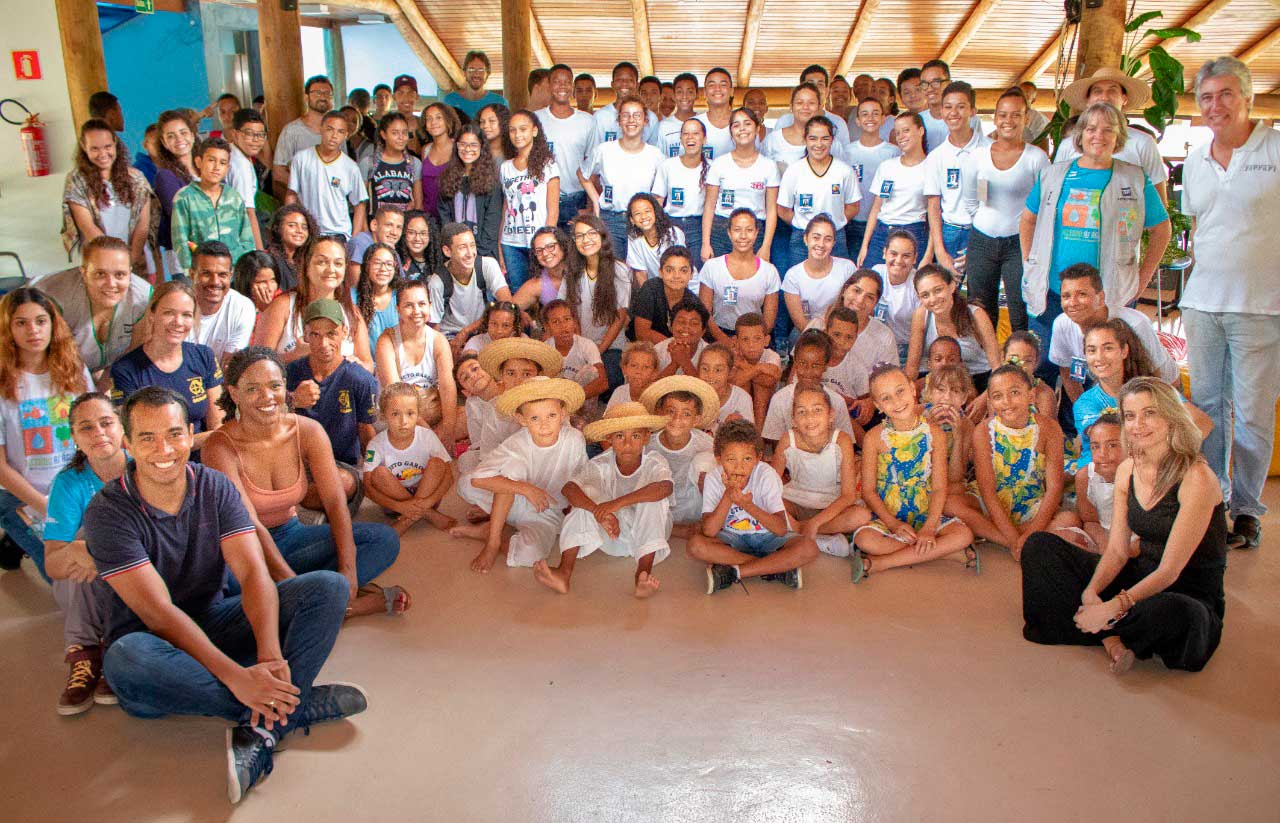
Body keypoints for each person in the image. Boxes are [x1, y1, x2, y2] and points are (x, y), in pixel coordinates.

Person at [83, 386, 365, 803]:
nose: (165, 449)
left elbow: (253, 573)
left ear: (190, 433)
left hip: (214, 621)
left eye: (175, 434)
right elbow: (159, 613)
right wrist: (237, 678)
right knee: (125, 659)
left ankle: (267, 718)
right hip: (154, 650)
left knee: (329, 587)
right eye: (147, 438)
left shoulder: (214, 487)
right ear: (127, 443)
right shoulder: (108, 512)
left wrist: (269, 654)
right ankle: (292, 706)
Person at [1021, 378, 1228, 674]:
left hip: (1185, 593)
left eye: (1150, 413)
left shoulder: (1197, 477)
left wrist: (1114, 606)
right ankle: (1113, 634)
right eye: (1130, 416)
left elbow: (1170, 571)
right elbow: (1117, 551)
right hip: (1140, 576)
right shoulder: (1128, 469)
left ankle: (1103, 626)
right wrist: (1091, 592)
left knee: (1168, 612)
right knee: (1039, 547)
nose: (1138, 424)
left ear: (1171, 415)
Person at [1180, 56, 1280, 551]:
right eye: (1206, 98)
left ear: (1248, 98)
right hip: (1201, 303)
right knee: (1208, 407)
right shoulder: (1196, 159)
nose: (1215, 106)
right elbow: (1201, 228)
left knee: (1255, 412)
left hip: (1262, 306)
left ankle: (1246, 510)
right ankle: (1214, 501)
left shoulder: (1276, 147)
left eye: (1224, 95)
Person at [1020, 102, 1171, 384]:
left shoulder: (1135, 178)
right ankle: (1052, 425)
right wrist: (1030, 263)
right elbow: (1027, 219)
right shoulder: (1054, 174)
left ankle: (1095, 423)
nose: (1098, 135)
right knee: (1046, 366)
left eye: (1107, 130)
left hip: (1108, 293)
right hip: (1053, 290)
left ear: (1119, 136)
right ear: (1080, 134)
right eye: (1091, 128)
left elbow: (1162, 230)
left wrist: (1142, 280)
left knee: (1102, 366)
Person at [530, 401, 671, 597]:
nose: (628, 444)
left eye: (636, 436)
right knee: (584, 493)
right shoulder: (601, 463)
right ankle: (564, 572)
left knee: (654, 498)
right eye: (620, 436)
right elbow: (569, 488)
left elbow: (665, 488)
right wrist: (598, 511)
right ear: (609, 438)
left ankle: (643, 574)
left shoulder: (654, 461)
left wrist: (613, 505)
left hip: (649, 540)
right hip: (613, 534)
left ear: (647, 437)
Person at [852, 365, 976, 580]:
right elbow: (869, 491)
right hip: (887, 515)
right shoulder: (874, 437)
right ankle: (944, 554)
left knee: (963, 534)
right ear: (878, 406)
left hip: (925, 512)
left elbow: (939, 487)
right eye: (886, 398)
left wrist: (929, 527)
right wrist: (892, 524)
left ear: (913, 389)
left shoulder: (934, 433)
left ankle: (882, 562)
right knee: (865, 540)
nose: (897, 402)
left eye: (900, 391)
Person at [39, 393, 122, 714]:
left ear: (122, 426)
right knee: (80, 540)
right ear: (73, 437)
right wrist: (82, 550)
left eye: (106, 423)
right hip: (88, 587)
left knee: (98, 538)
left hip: (135, 573)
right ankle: (85, 653)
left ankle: (115, 649)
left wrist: (100, 552)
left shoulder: (142, 468)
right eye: (86, 428)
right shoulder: (68, 482)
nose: (99, 433)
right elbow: (54, 566)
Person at [0, 289, 92, 575]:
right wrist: (49, 507)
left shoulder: (74, 370)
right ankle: (14, 533)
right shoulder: (4, 382)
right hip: (22, 495)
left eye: (41, 321)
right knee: (67, 575)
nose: (33, 330)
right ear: (7, 329)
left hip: (75, 488)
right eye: (21, 323)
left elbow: (92, 434)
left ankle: (13, 543)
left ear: (53, 324)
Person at [454, 376, 588, 573]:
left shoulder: (574, 439)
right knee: (470, 482)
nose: (544, 425)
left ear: (563, 413)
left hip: (546, 510)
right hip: (514, 499)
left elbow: (581, 478)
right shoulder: (517, 442)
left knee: (530, 556)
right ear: (522, 420)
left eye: (551, 415)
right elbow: (477, 479)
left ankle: (489, 530)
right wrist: (525, 489)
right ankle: (493, 541)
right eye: (535, 418)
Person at [690, 419, 818, 593]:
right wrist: (729, 494)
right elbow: (710, 531)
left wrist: (746, 504)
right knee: (696, 545)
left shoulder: (766, 475)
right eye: (730, 459)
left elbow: (780, 529)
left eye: (747, 459)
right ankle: (775, 567)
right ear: (719, 459)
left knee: (809, 548)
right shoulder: (714, 478)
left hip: (768, 538)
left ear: (758, 458)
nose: (739, 467)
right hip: (732, 538)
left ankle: (736, 571)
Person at [1073, 320, 1211, 472]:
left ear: (1124, 351)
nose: (1099, 357)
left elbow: (1203, 423)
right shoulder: (1085, 402)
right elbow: (1114, 444)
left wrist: (1171, 456)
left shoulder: (1154, 390)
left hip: (1153, 469)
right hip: (1101, 476)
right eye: (1091, 350)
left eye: (1108, 348)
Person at [967, 365, 1073, 559]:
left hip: (1030, 503)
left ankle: (1002, 534)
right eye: (998, 396)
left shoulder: (1050, 429)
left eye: (1015, 392)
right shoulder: (983, 431)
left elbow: (1054, 488)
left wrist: (1033, 530)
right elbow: (987, 491)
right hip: (991, 504)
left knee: (1070, 518)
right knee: (952, 503)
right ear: (990, 402)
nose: (1007, 402)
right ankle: (1013, 541)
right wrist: (1013, 538)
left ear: (1031, 395)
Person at [966, 88, 1048, 332]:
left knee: (1019, 306)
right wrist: (985, 222)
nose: (1008, 121)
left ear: (1027, 118)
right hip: (982, 240)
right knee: (979, 307)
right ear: (995, 118)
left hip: (1019, 243)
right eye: (1002, 115)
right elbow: (971, 200)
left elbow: (1045, 206)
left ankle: (1020, 364)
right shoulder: (978, 155)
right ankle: (984, 363)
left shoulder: (1037, 158)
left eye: (1015, 115)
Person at [1050, 263, 1179, 415]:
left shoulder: (1135, 324)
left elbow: (1159, 379)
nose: (1072, 302)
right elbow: (1068, 375)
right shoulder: (1061, 325)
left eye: (1082, 294)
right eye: (1066, 296)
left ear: (1101, 297)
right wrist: (1087, 415)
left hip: (1161, 392)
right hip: (1108, 393)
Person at [110, 281, 224, 449]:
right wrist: (193, 442)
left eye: (186, 315)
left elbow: (219, 428)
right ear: (151, 315)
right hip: (154, 461)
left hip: (204, 458)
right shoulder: (125, 369)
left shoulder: (203, 356)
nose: (178, 322)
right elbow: (130, 440)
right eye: (169, 313)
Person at [284, 299, 380, 489]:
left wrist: (372, 473)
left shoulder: (360, 379)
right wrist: (293, 400)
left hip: (340, 466)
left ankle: (304, 503)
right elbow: (266, 421)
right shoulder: (289, 373)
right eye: (315, 334)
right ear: (305, 336)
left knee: (342, 483)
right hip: (296, 464)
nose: (323, 343)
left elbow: (367, 434)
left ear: (344, 332)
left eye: (331, 334)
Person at [768, 380, 868, 557]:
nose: (810, 418)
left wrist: (815, 522)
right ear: (794, 420)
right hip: (796, 501)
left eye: (817, 410)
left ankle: (799, 532)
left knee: (861, 516)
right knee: (764, 503)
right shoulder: (787, 439)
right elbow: (771, 485)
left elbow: (848, 495)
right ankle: (820, 539)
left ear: (831, 416)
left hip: (831, 505)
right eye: (801, 412)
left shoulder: (841, 440)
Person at [35, 237, 150, 387]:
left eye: (120, 275)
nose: (111, 284)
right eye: (100, 274)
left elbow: (132, 354)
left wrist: (103, 387)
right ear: (83, 272)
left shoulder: (142, 298)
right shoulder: (52, 299)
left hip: (89, 370)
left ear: (130, 273)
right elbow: (44, 360)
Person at [257, 235, 374, 370]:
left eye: (338, 264)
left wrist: (356, 365)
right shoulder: (283, 306)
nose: (331, 270)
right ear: (306, 266)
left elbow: (368, 365)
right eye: (322, 262)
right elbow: (257, 363)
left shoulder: (351, 312)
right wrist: (293, 355)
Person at [61, 119, 156, 279]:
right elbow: (88, 227)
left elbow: (143, 225)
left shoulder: (136, 178)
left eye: (107, 147)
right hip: (101, 265)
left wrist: (130, 260)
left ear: (115, 144)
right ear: (84, 148)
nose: (103, 154)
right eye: (95, 148)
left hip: (138, 261)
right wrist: (116, 264)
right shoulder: (76, 181)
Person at [1058, 68, 1168, 200]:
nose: (1104, 97)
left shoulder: (1143, 142)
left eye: (1112, 90)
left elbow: (1159, 200)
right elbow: (1053, 193)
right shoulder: (1068, 144)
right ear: (1088, 100)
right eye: (1097, 91)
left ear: (1124, 99)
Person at [361, 382, 454, 537]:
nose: (403, 421)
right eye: (395, 414)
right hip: (393, 503)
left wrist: (429, 502)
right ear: (384, 416)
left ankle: (406, 521)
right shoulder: (375, 444)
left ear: (418, 414)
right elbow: (368, 488)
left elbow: (449, 477)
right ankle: (428, 514)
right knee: (379, 473)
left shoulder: (427, 436)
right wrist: (400, 506)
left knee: (438, 464)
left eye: (410, 413)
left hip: (428, 496)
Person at [374, 280, 459, 449]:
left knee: (465, 413)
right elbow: (395, 394)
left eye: (421, 304)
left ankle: (430, 446)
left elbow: (448, 388)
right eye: (409, 306)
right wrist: (430, 437)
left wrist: (448, 430)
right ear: (397, 309)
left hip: (431, 413)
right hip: (398, 416)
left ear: (430, 306)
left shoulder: (438, 340)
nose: (416, 311)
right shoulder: (386, 341)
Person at [636, 376, 718, 536]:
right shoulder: (647, 444)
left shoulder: (707, 444)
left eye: (686, 414)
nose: (677, 419)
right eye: (671, 411)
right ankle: (677, 530)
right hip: (659, 507)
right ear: (660, 413)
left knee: (705, 461)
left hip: (694, 507)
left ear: (697, 420)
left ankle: (707, 524)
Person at [922, 81, 989, 277]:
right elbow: (933, 205)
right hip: (949, 233)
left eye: (961, 107)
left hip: (980, 232)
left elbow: (985, 201)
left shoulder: (988, 150)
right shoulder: (936, 156)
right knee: (948, 296)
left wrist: (977, 247)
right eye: (948, 107)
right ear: (942, 112)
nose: (954, 113)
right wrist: (940, 252)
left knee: (977, 297)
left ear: (973, 111)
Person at [776, 116, 861, 268]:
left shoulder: (844, 171)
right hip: (801, 238)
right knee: (800, 284)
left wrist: (834, 224)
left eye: (825, 138)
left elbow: (853, 207)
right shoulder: (794, 171)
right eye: (813, 138)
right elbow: (783, 210)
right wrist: (805, 226)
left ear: (832, 140)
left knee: (839, 286)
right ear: (805, 139)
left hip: (836, 237)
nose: (819, 144)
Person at [582, 98, 663, 253]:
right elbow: (583, 173)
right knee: (613, 271)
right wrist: (596, 202)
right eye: (625, 115)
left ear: (645, 121)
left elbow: (661, 191)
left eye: (637, 115)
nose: (631, 120)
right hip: (611, 220)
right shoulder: (604, 150)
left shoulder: (655, 155)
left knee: (640, 273)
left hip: (642, 222)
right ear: (618, 121)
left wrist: (652, 218)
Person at [702, 108, 779, 262]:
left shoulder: (769, 166)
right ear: (730, 132)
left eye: (747, 124)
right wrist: (706, 243)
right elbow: (709, 207)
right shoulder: (719, 164)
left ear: (757, 129)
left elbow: (771, 210)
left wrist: (766, 246)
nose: (742, 129)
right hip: (721, 230)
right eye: (736, 125)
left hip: (755, 231)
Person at [905, 265, 1000, 388]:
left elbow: (997, 366)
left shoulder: (976, 314)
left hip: (977, 378)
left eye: (938, 290)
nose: (933, 299)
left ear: (952, 286)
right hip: (935, 379)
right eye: (925, 295)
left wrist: (982, 400)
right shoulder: (921, 315)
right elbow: (912, 367)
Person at [858, 112, 931, 269]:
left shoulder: (931, 167)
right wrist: (865, 245)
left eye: (906, 130)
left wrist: (929, 254)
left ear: (920, 131)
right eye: (897, 133)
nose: (901, 136)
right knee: (871, 281)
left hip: (914, 232)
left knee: (911, 286)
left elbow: (935, 215)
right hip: (883, 231)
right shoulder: (887, 166)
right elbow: (876, 208)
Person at [565, 215, 631, 387]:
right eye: (579, 236)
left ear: (602, 235)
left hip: (609, 346)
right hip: (580, 342)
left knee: (609, 381)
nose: (585, 240)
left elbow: (619, 318)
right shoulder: (572, 270)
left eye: (591, 233)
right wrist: (581, 346)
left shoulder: (619, 270)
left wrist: (596, 352)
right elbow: (569, 311)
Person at [170, 137, 254, 272]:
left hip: (233, 274)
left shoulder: (234, 197)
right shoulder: (184, 197)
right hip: (202, 275)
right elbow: (181, 242)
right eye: (211, 160)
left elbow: (247, 241)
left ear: (227, 167)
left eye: (222, 163)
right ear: (198, 162)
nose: (216, 167)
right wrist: (191, 273)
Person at [699, 209, 782, 344]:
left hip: (754, 339)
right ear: (729, 233)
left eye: (749, 230)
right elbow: (704, 314)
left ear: (756, 233)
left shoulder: (769, 271)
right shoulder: (711, 267)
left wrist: (749, 343)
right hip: (718, 336)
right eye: (737, 230)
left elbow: (769, 322)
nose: (743, 236)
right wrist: (725, 340)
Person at [500, 110, 561, 292]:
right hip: (511, 242)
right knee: (518, 292)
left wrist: (547, 243)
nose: (517, 135)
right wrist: (499, 243)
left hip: (539, 242)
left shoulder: (548, 165)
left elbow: (553, 211)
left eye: (523, 129)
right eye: (512, 130)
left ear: (534, 131)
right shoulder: (505, 167)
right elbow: (506, 206)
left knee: (545, 292)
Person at [286, 110, 369, 240]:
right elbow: (292, 194)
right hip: (308, 231)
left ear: (346, 135)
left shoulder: (351, 167)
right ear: (321, 129)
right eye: (330, 129)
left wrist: (353, 237)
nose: (334, 136)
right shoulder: (301, 158)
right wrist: (291, 226)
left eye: (340, 132)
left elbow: (360, 204)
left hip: (338, 233)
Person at [429, 222, 512, 351]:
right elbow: (434, 326)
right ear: (447, 251)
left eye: (472, 246)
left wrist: (468, 330)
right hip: (452, 336)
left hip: (481, 330)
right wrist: (444, 350)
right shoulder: (437, 282)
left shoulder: (487, 265)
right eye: (462, 247)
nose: (470, 253)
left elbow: (507, 304)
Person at [536, 64, 599, 230]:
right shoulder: (536, 118)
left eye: (567, 82)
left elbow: (592, 166)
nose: (562, 86)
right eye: (557, 82)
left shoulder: (587, 121)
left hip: (576, 199)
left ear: (572, 87)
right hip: (543, 198)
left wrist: (590, 206)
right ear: (549, 86)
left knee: (574, 253)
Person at [1053, 411, 1124, 553]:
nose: (1102, 453)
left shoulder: (1140, 476)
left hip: (1132, 539)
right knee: (1052, 539)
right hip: (1101, 537)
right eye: (1095, 446)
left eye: (1112, 445)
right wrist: (1106, 549)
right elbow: (1090, 522)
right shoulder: (1085, 476)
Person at [844, 96, 901, 261]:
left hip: (881, 223)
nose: (870, 118)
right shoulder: (848, 151)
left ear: (883, 119)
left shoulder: (893, 152)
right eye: (865, 114)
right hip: (853, 222)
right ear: (857, 120)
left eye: (875, 113)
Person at [782, 215, 856, 339]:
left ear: (834, 243)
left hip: (841, 332)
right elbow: (800, 323)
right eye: (816, 238)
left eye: (827, 239)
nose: (821, 244)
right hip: (808, 333)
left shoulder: (847, 268)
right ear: (805, 239)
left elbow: (852, 311)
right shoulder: (792, 276)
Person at [437, 124, 502, 259]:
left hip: (484, 255)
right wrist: (456, 253)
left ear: (481, 147)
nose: (467, 149)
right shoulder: (447, 178)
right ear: (457, 146)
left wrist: (475, 256)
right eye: (463, 144)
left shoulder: (491, 181)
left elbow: (492, 225)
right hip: (454, 255)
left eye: (473, 145)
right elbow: (445, 220)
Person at [653, 119, 709, 268]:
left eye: (695, 133)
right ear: (680, 139)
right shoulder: (668, 165)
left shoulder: (712, 167)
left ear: (704, 139)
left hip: (699, 228)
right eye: (686, 134)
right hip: (671, 225)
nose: (690, 137)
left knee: (695, 273)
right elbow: (658, 201)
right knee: (671, 271)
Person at [188, 241, 255, 365]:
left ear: (231, 275)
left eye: (222, 275)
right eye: (206, 274)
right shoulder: (177, 306)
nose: (215, 282)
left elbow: (229, 367)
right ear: (192, 275)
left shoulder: (242, 307)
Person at [152, 110, 199, 276]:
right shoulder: (165, 176)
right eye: (171, 136)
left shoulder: (206, 168)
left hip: (214, 256)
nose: (179, 139)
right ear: (164, 143)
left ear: (193, 135)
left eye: (183, 132)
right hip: (185, 260)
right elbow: (181, 217)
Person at [273, 75, 332, 201]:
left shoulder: (337, 131)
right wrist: (306, 188)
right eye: (317, 93)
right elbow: (279, 172)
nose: (322, 96)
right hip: (303, 204)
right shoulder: (292, 130)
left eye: (327, 93)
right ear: (306, 97)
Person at [542, 299, 608, 410]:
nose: (563, 326)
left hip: (582, 403)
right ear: (547, 327)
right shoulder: (544, 349)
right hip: (556, 405)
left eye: (567, 319)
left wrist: (573, 398)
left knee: (592, 371)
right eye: (556, 322)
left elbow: (603, 382)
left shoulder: (587, 345)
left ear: (574, 322)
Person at [630, 246, 698, 345]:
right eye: (669, 270)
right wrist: (673, 344)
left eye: (683, 270)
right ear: (660, 272)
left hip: (677, 350)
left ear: (691, 274)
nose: (676, 276)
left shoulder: (693, 301)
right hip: (645, 348)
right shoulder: (650, 289)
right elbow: (642, 333)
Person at [772, 65, 854, 145]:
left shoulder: (839, 123)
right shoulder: (785, 121)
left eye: (820, 84)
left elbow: (844, 157)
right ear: (801, 88)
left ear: (827, 90)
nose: (815, 88)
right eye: (810, 84)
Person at [361, 112, 423, 215]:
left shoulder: (413, 163)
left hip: (404, 225)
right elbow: (361, 203)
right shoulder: (369, 163)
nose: (401, 137)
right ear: (383, 134)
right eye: (395, 133)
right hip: (376, 226)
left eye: (404, 132)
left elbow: (418, 203)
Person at [225, 108, 268, 251]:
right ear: (235, 134)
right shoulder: (240, 165)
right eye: (249, 134)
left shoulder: (234, 153)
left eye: (261, 135)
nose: (256, 140)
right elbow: (248, 213)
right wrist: (260, 252)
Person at [731, 312, 784, 427]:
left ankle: (758, 434)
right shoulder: (733, 356)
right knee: (746, 381)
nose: (751, 345)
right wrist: (760, 368)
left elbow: (768, 382)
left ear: (766, 340)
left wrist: (744, 366)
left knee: (761, 386)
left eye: (757, 339)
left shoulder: (772, 355)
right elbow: (734, 382)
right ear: (736, 341)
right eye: (745, 339)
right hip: (739, 405)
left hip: (769, 406)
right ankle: (746, 427)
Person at [918, 60, 982, 152]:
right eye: (924, 84)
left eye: (936, 82)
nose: (930, 88)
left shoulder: (970, 119)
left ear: (949, 83)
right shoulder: (918, 120)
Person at [593, 61, 661, 146]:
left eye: (630, 80)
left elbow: (653, 153)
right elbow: (595, 153)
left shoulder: (651, 118)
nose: (624, 83)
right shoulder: (600, 116)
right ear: (612, 84)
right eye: (619, 79)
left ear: (637, 85)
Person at [352, 242, 402, 354]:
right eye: (377, 263)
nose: (383, 268)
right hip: (363, 363)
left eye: (389, 264)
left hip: (397, 363)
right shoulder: (353, 297)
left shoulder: (401, 296)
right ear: (366, 266)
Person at [512, 226, 573, 314]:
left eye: (550, 246)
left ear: (562, 245)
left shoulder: (581, 271)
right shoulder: (537, 285)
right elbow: (508, 311)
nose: (545, 253)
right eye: (539, 250)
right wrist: (522, 316)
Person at [626, 193, 685, 284]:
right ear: (632, 220)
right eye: (637, 213)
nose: (643, 216)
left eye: (647, 211)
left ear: (655, 212)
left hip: (682, 285)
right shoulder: (633, 238)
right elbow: (640, 273)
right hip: (656, 289)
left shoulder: (674, 233)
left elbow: (682, 267)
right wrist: (647, 296)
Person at [346, 206, 405, 289]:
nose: (394, 232)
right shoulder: (360, 242)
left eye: (399, 227)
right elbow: (356, 285)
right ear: (374, 225)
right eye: (389, 225)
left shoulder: (392, 252)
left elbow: (401, 286)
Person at [697, 344, 753, 430]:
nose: (710, 375)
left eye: (718, 370)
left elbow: (749, 439)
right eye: (705, 368)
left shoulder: (741, 398)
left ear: (730, 373)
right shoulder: (692, 396)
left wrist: (733, 429)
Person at [418, 103, 460, 217]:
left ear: (448, 121)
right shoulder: (425, 150)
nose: (433, 122)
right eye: (429, 119)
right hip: (428, 216)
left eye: (438, 117)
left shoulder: (459, 148)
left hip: (451, 216)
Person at [444, 50, 508, 120]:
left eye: (481, 70)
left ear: (487, 74)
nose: (476, 74)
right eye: (471, 69)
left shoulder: (499, 102)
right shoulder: (450, 100)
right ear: (464, 73)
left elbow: (505, 129)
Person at [266, 204, 316, 294]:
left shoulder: (306, 261)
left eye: (304, 227)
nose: (299, 231)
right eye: (292, 225)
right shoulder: (270, 260)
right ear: (278, 228)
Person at [654, 298, 709, 377]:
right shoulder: (658, 351)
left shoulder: (710, 353)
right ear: (671, 326)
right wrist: (674, 363)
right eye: (681, 322)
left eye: (694, 323)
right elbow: (652, 387)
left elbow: (706, 389)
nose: (686, 327)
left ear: (703, 331)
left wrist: (685, 362)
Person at [694, 68, 736, 159]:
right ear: (705, 92)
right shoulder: (694, 124)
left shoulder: (743, 123)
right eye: (712, 85)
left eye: (723, 84)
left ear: (732, 91)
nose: (717, 89)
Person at [606, 340, 660, 409]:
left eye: (646, 367)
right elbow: (608, 417)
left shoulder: (657, 397)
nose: (639, 371)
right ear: (624, 369)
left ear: (654, 373)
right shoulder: (620, 393)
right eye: (634, 366)